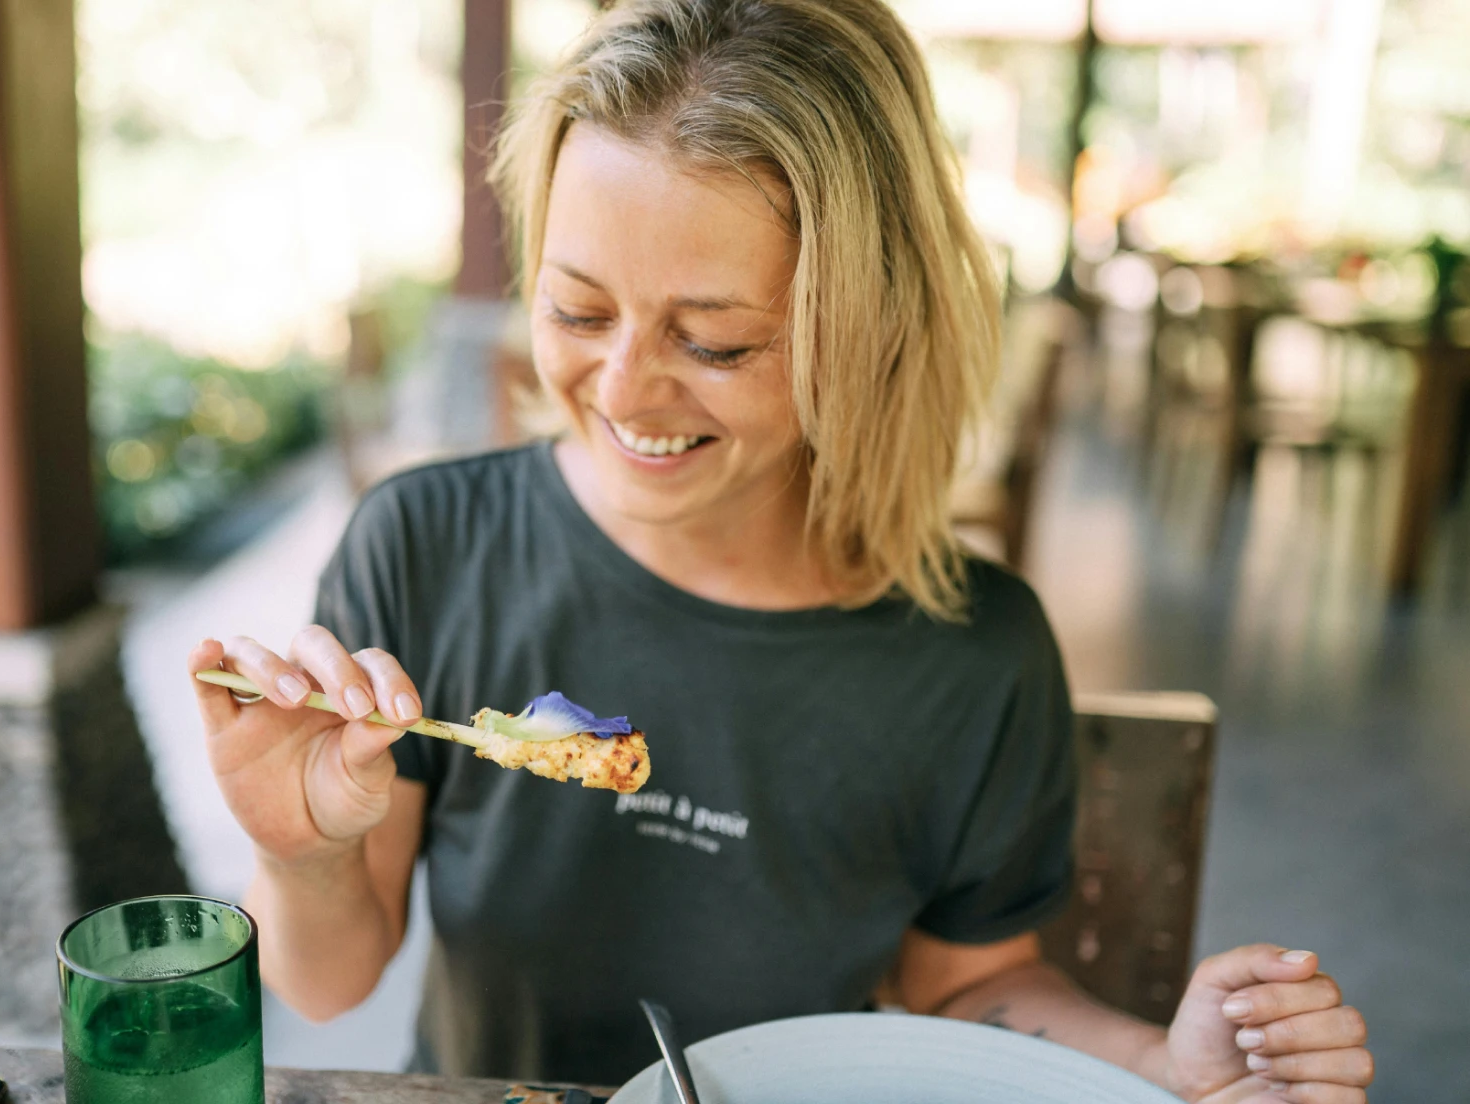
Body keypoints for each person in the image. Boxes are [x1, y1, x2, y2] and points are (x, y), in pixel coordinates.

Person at [189, 0, 1374, 1096]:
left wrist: (1164, 1069)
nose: (622, 388)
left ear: (863, 331)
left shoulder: (971, 651)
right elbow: (325, 982)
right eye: (578, 309)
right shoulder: (427, 544)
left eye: (716, 342)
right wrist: (297, 852)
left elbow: (967, 985)